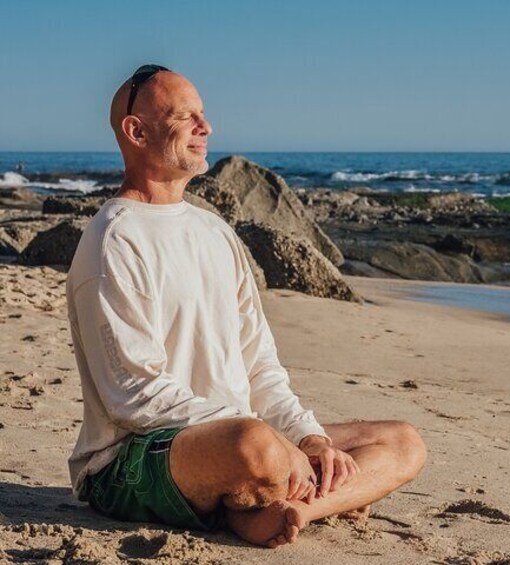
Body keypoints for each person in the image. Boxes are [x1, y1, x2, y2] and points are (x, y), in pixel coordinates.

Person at [65, 64, 427, 548]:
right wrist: (267, 438)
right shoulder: (114, 239)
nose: (205, 127)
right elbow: (133, 396)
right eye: (185, 116)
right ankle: (289, 495)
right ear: (137, 130)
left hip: (244, 436)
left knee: (402, 443)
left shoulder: (215, 232)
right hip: (136, 455)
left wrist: (308, 439)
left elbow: (260, 365)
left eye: (204, 114)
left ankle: (287, 507)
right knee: (253, 448)